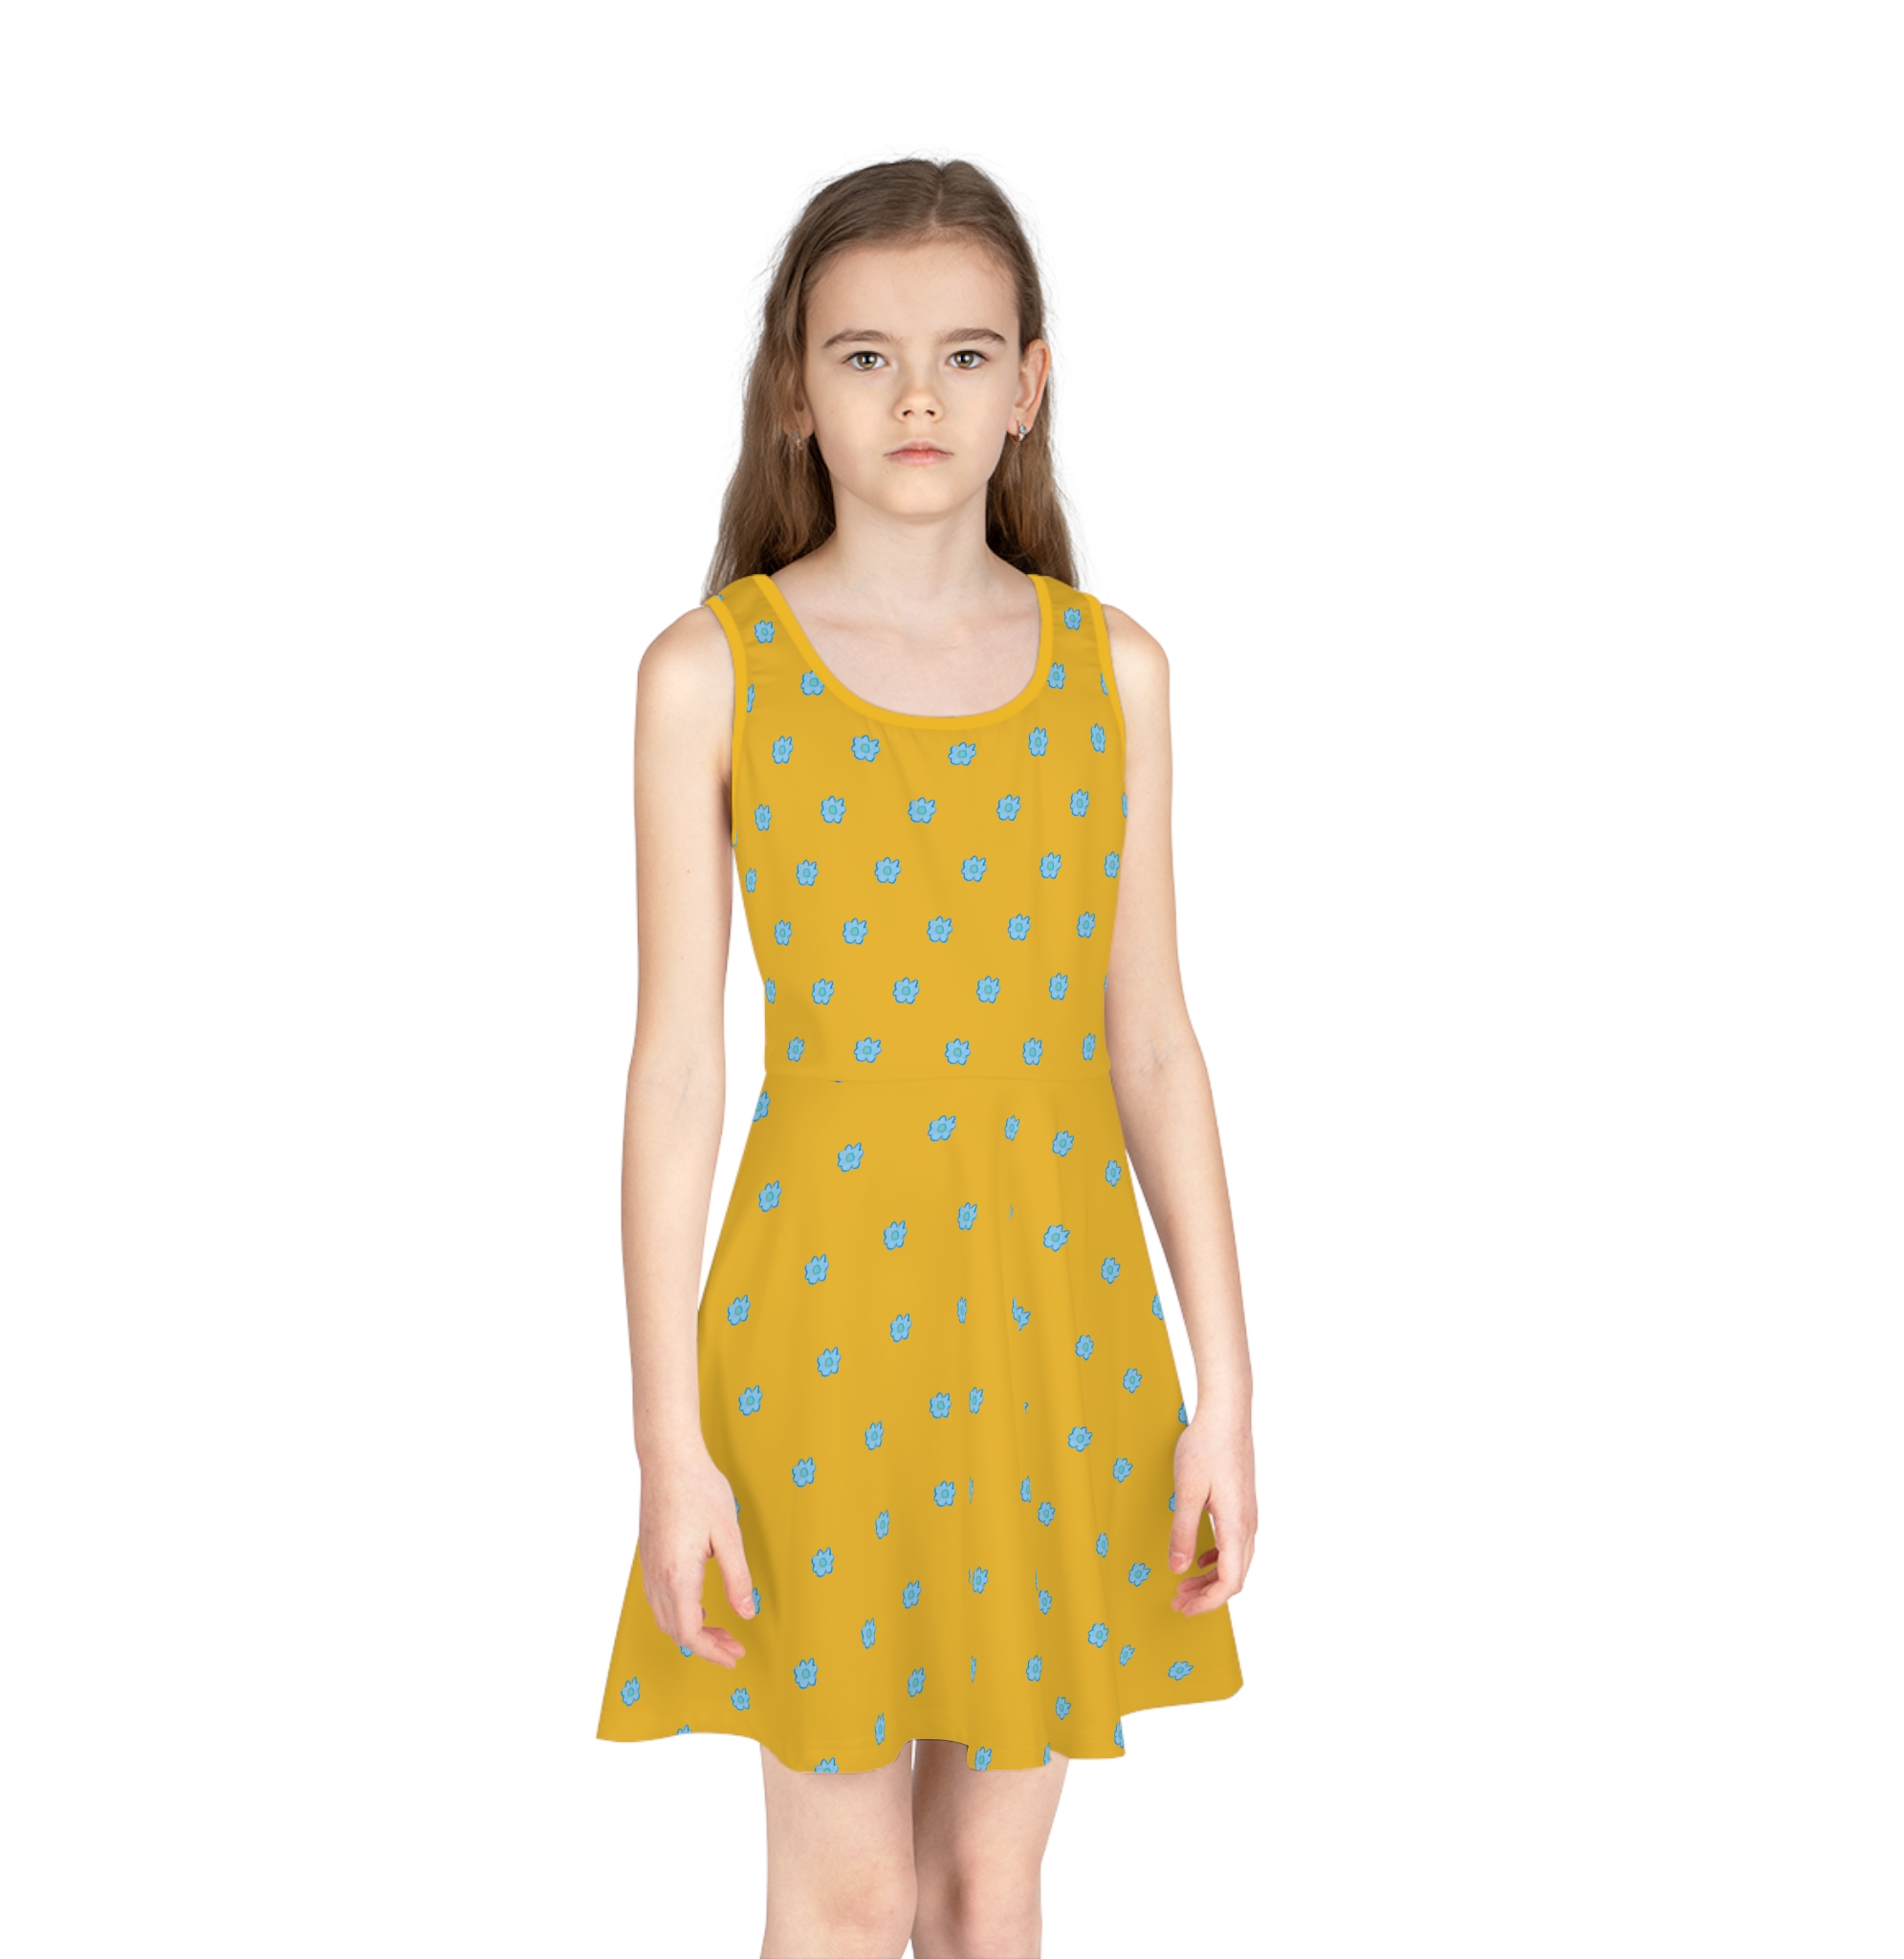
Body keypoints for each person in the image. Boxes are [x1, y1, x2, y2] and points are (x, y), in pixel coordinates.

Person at [596, 156, 1258, 1958]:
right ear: (794, 388)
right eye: (865, 355)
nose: (916, 397)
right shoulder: (711, 674)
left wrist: (1225, 1392)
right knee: (851, 1894)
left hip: (1059, 1325)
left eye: (965, 355)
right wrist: (668, 1441)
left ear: (1028, 385)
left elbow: (1154, 1043)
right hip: (814, 1338)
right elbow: (675, 1075)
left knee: (988, 1893)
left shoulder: (1114, 672)